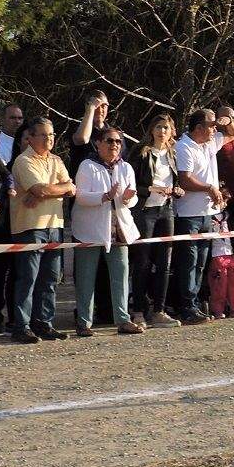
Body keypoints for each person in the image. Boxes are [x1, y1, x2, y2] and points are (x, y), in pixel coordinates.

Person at [6, 117, 74, 345]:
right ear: (31, 137)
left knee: (50, 278)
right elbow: (41, 189)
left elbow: (71, 187)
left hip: (54, 225)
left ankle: (43, 322)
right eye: (44, 135)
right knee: (28, 278)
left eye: (52, 135)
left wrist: (48, 191)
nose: (49, 139)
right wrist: (51, 190)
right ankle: (21, 325)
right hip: (30, 227)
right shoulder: (23, 161)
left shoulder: (56, 160)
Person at [72, 124, 144, 336]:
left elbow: (132, 199)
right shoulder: (87, 165)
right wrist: (105, 196)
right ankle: (84, 322)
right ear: (98, 143)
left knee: (121, 275)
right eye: (109, 141)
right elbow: (81, 196)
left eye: (118, 141)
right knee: (86, 276)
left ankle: (122, 319)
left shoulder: (126, 167)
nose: (115, 145)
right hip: (90, 229)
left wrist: (129, 198)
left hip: (119, 227)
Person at [170, 109, 226, 324]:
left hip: (207, 214)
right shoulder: (184, 146)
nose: (215, 129)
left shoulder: (209, 144)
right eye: (211, 125)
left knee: (201, 262)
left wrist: (226, 119)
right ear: (199, 127)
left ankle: (194, 303)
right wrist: (209, 188)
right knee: (188, 262)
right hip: (189, 214)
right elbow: (185, 180)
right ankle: (185, 306)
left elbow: (233, 131)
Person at [129, 112, 180, 327]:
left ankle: (159, 309)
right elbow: (130, 185)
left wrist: (176, 190)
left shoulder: (172, 154)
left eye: (166, 128)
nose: (162, 131)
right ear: (151, 129)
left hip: (165, 210)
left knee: (164, 262)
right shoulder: (141, 152)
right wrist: (150, 189)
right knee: (142, 262)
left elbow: (174, 180)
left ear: (171, 132)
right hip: (145, 211)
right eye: (158, 127)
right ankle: (139, 309)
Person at [0, 103, 26, 334]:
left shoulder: (25, 143)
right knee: (0, 267)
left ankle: (15, 314)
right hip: (2, 213)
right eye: (12, 117)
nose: (16, 121)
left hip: (22, 213)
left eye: (20, 117)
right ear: (3, 119)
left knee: (18, 268)